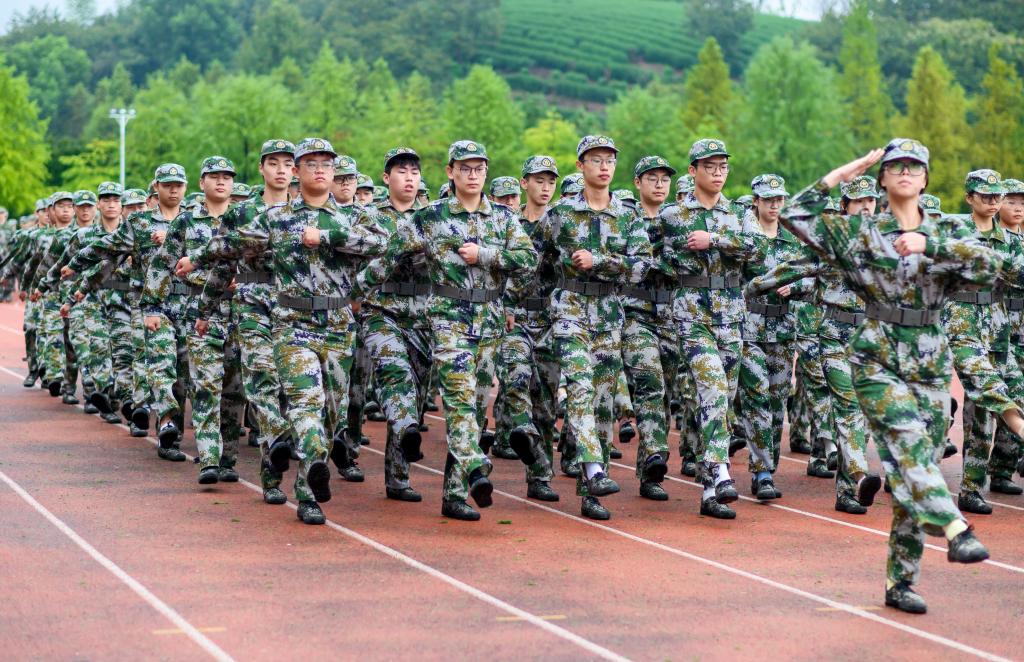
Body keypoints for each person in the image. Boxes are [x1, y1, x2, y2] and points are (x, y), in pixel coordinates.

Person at [780, 139, 992, 614]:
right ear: (881, 178)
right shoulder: (861, 232)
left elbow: (997, 265)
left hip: (930, 359)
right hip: (876, 354)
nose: (905, 173)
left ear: (926, 178)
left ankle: (901, 581)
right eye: (895, 166)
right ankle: (955, 527)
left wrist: (931, 245)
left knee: (915, 468)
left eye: (914, 167)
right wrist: (848, 169)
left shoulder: (949, 228)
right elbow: (794, 214)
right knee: (909, 443)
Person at [179, 138, 386, 524]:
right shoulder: (277, 218)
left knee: (331, 412)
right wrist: (197, 258)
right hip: (291, 324)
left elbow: (381, 244)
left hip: (338, 326)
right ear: (297, 171)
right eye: (311, 164)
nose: (320, 170)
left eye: (326, 164)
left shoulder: (353, 217)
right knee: (305, 404)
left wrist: (327, 237)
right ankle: (306, 494)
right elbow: (232, 244)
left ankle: (310, 463)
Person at [354, 140, 538, 521]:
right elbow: (389, 256)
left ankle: (454, 495)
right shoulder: (430, 217)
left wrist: (486, 255)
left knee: (477, 406)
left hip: (489, 321)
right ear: (451, 172)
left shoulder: (503, 219)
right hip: (448, 320)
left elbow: (527, 259)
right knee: (458, 399)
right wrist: (353, 293)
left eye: (479, 169)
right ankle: (476, 467)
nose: (472, 175)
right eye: (465, 168)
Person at [540, 135, 653, 520]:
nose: (604, 167)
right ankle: (593, 468)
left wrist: (601, 262)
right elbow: (537, 259)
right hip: (570, 309)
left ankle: (591, 492)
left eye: (609, 160)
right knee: (581, 387)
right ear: (580, 165)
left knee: (603, 403)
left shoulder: (628, 215)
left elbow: (641, 266)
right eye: (595, 160)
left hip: (608, 314)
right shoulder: (560, 214)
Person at [661, 139, 754, 519]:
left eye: (723, 166)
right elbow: (651, 255)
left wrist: (714, 240)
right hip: (692, 315)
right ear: (693, 170)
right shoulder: (673, 215)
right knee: (713, 387)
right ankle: (720, 469)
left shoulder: (739, 214)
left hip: (731, 316)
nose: (718, 173)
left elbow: (756, 249)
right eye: (710, 166)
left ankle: (710, 491)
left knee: (721, 399)